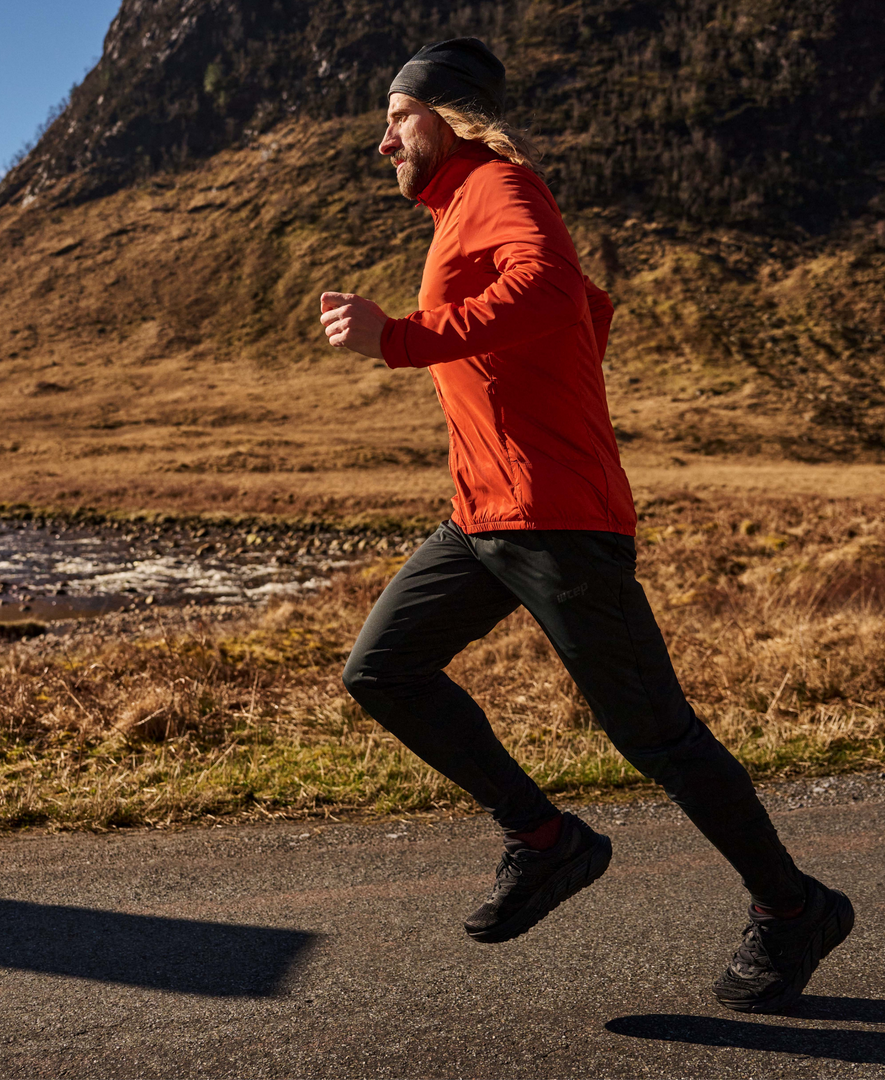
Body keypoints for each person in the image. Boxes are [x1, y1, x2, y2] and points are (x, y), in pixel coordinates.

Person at [319, 37, 852, 1015]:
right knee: (380, 670)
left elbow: (558, 291)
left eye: (396, 117)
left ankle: (793, 909)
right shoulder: (455, 212)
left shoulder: (499, 188)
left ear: (448, 116)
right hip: (484, 515)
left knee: (656, 736)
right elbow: (591, 311)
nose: (383, 140)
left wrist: (398, 338)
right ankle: (545, 838)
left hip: (556, 519)